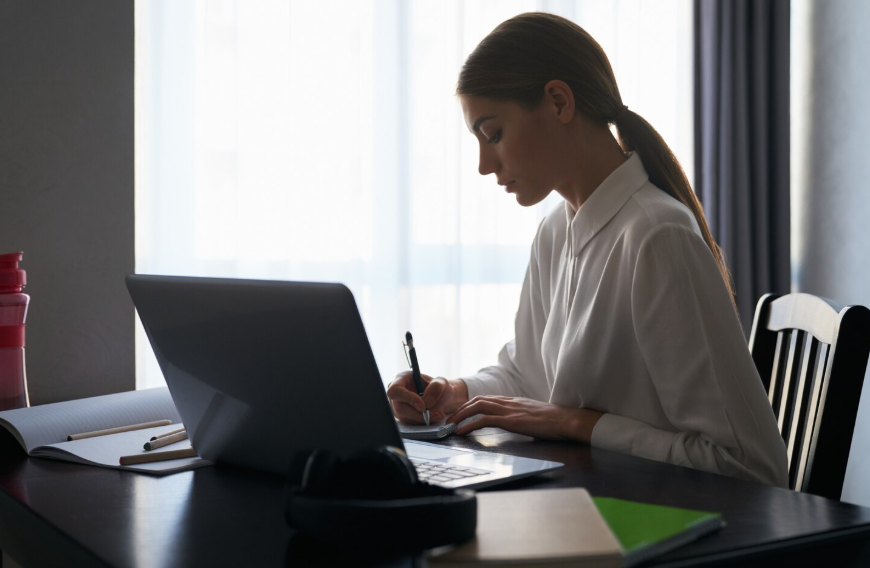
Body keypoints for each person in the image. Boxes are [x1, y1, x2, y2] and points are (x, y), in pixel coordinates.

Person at [387, 12, 788, 487]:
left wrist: (576, 423)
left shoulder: (658, 237)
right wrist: (453, 394)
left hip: (665, 524)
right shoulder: (556, 231)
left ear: (559, 102)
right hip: (585, 504)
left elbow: (749, 465)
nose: (482, 165)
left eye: (493, 134)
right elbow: (528, 374)